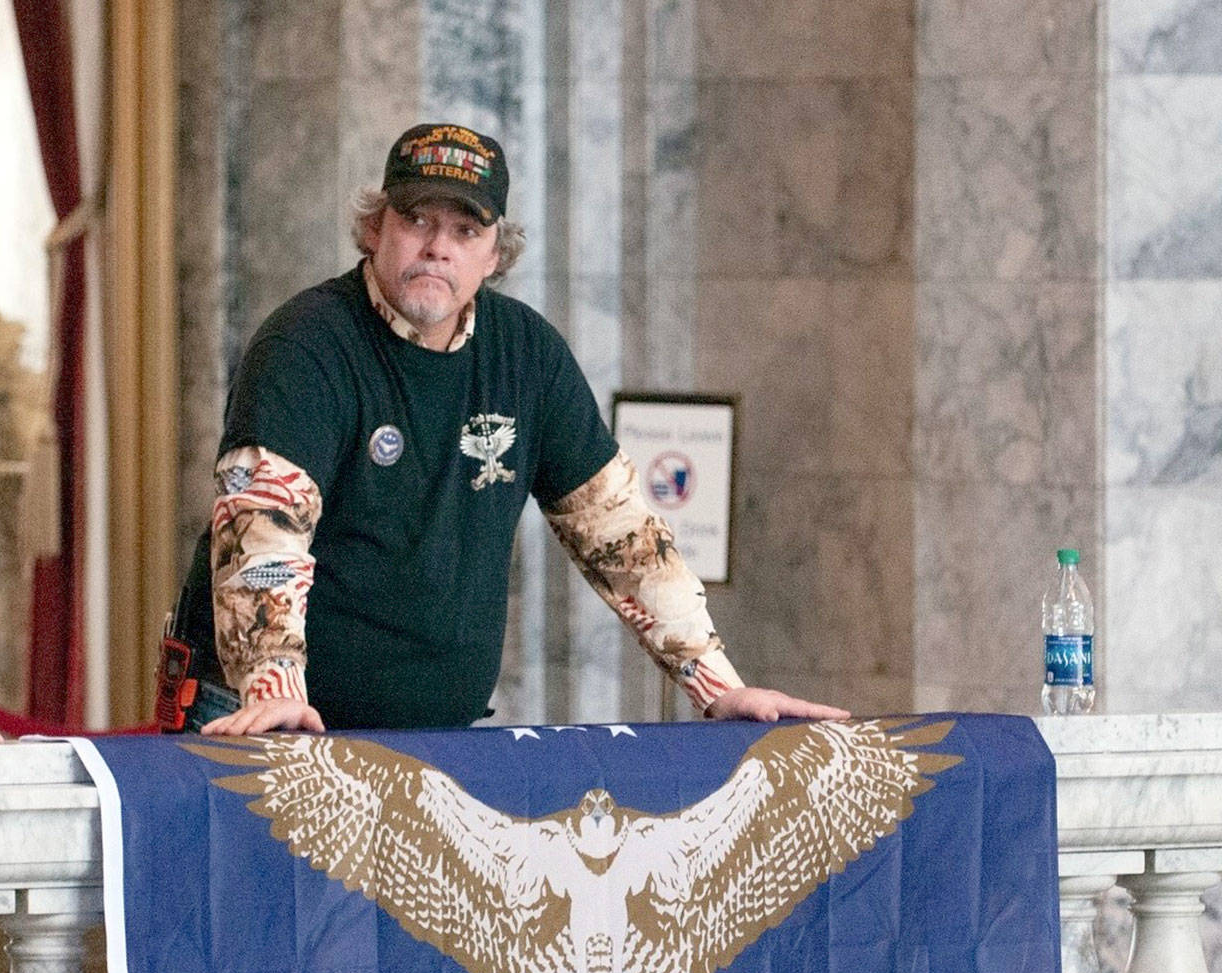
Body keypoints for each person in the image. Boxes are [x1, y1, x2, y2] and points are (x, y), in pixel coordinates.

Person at [168, 122, 848, 737]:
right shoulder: (307, 345)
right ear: (374, 228)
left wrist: (717, 686)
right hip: (264, 718)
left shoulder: (528, 356)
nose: (437, 248)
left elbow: (621, 537)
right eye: (415, 220)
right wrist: (273, 687)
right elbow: (261, 532)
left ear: (496, 254)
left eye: (466, 232)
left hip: (431, 737)